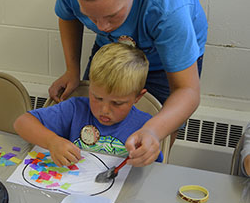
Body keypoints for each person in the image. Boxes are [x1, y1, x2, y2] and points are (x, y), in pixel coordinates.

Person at [49, 0, 208, 166]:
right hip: (114, 47)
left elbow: (187, 91)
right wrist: (72, 70)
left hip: (164, 59)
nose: (101, 26)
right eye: (90, 16)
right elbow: (68, 16)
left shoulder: (165, 3)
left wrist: (153, 132)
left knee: (149, 144)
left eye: (112, 15)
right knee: (95, 121)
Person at [14, 43, 163, 167]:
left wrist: (146, 157)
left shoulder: (145, 127)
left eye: (117, 103)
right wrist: (52, 142)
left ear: (138, 97)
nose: (104, 110)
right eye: (97, 98)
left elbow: (154, 171)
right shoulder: (75, 109)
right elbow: (22, 122)